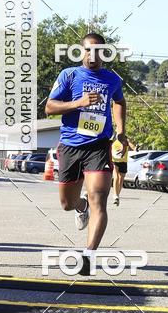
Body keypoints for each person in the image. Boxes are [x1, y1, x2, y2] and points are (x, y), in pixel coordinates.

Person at [45, 32, 127, 276]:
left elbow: (120, 101)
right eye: (88, 50)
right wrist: (78, 103)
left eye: (98, 50)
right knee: (66, 203)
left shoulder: (112, 79)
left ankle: (88, 255)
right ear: (82, 52)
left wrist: (121, 131)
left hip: (99, 146)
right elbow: (50, 107)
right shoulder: (69, 75)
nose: (93, 54)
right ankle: (80, 208)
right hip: (70, 145)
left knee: (99, 199)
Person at [111, 134, 136, 206]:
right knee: (116, 177)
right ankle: (115, 195)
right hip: (114, 161)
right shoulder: (113, 139)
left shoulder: (126, 140)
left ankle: (117, 195)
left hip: (123, 162)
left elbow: (133, 147)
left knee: (121, 179)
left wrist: (135, 148)